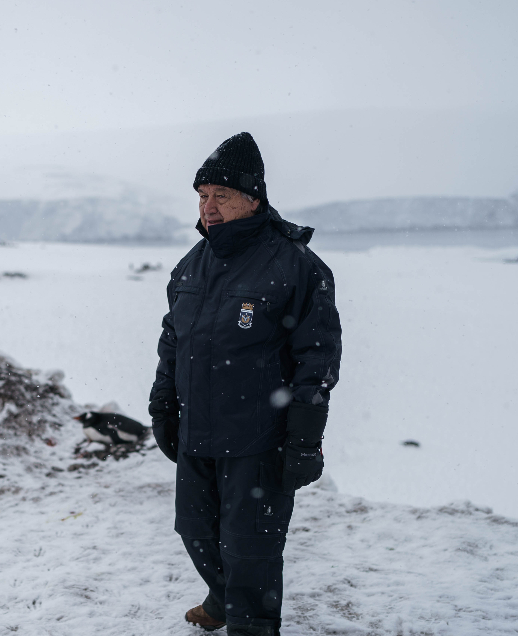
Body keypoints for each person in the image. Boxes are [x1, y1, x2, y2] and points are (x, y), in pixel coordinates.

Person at [149, 132, 342, 635]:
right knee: (194, 529)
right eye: (202, 196)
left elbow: (317, 360)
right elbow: (174, 339)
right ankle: (221, 599)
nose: (207, 207)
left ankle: (249, 624)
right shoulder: (193, 263)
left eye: (221, 196)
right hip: (198, 431)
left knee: (250, 549)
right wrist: (162, 406)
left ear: (252, 197)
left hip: (259, 437)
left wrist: (304, 439)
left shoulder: (296, 266)